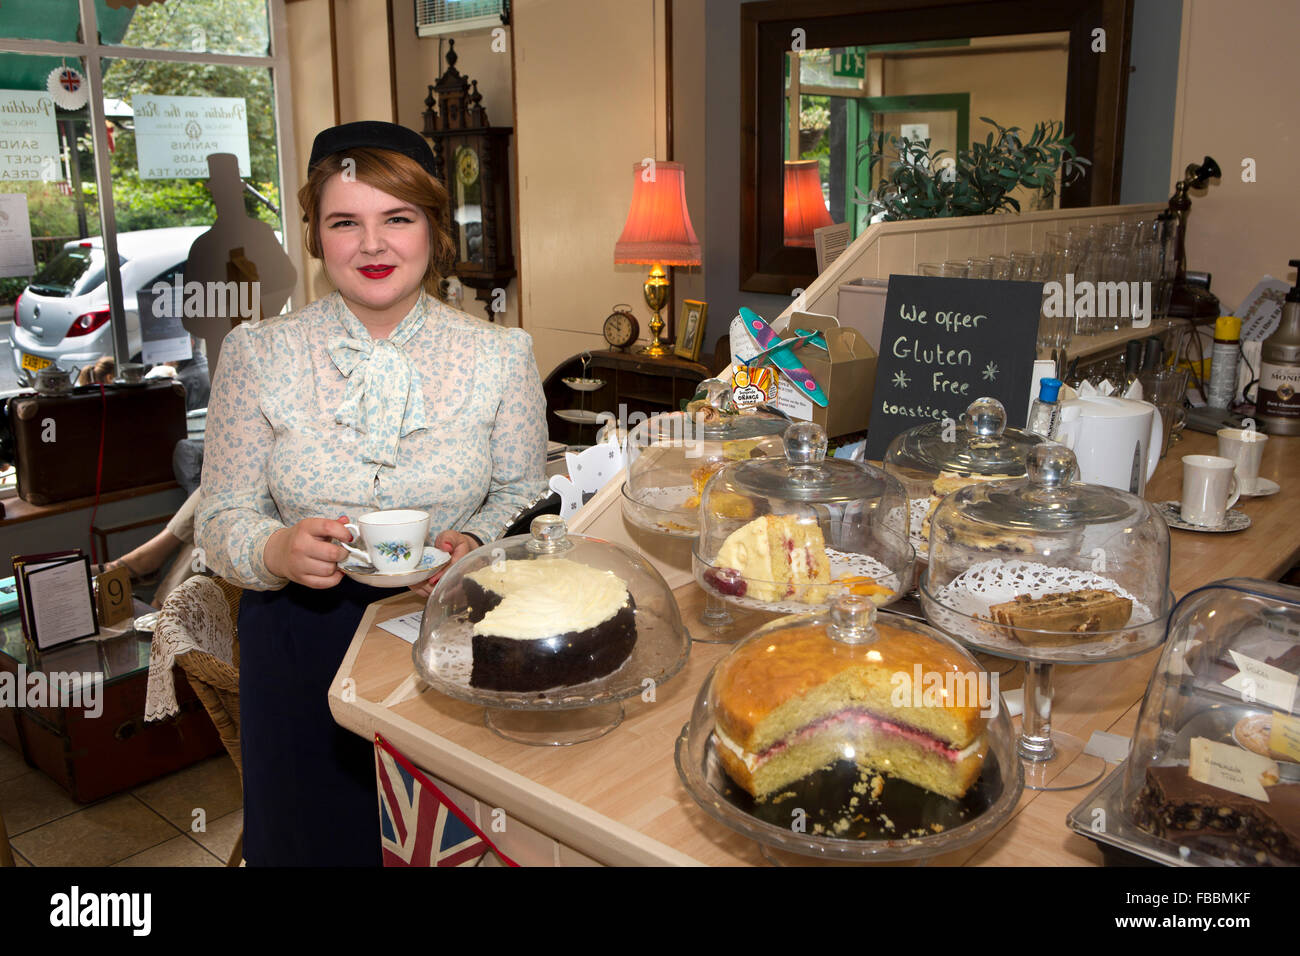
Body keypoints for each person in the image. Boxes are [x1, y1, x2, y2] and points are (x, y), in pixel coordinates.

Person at [194, 121, 548, 867]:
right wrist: (277, 548)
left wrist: (476, 542)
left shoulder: (501, 354)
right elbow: (220, 518)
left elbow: (523, 492)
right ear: (318, 239)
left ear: (434, 231)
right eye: (345, 222)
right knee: (315, 848)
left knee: (454, 846)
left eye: (398, 218)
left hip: (453, 633)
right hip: (299, 646)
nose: (373, 245)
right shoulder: (257, 355)